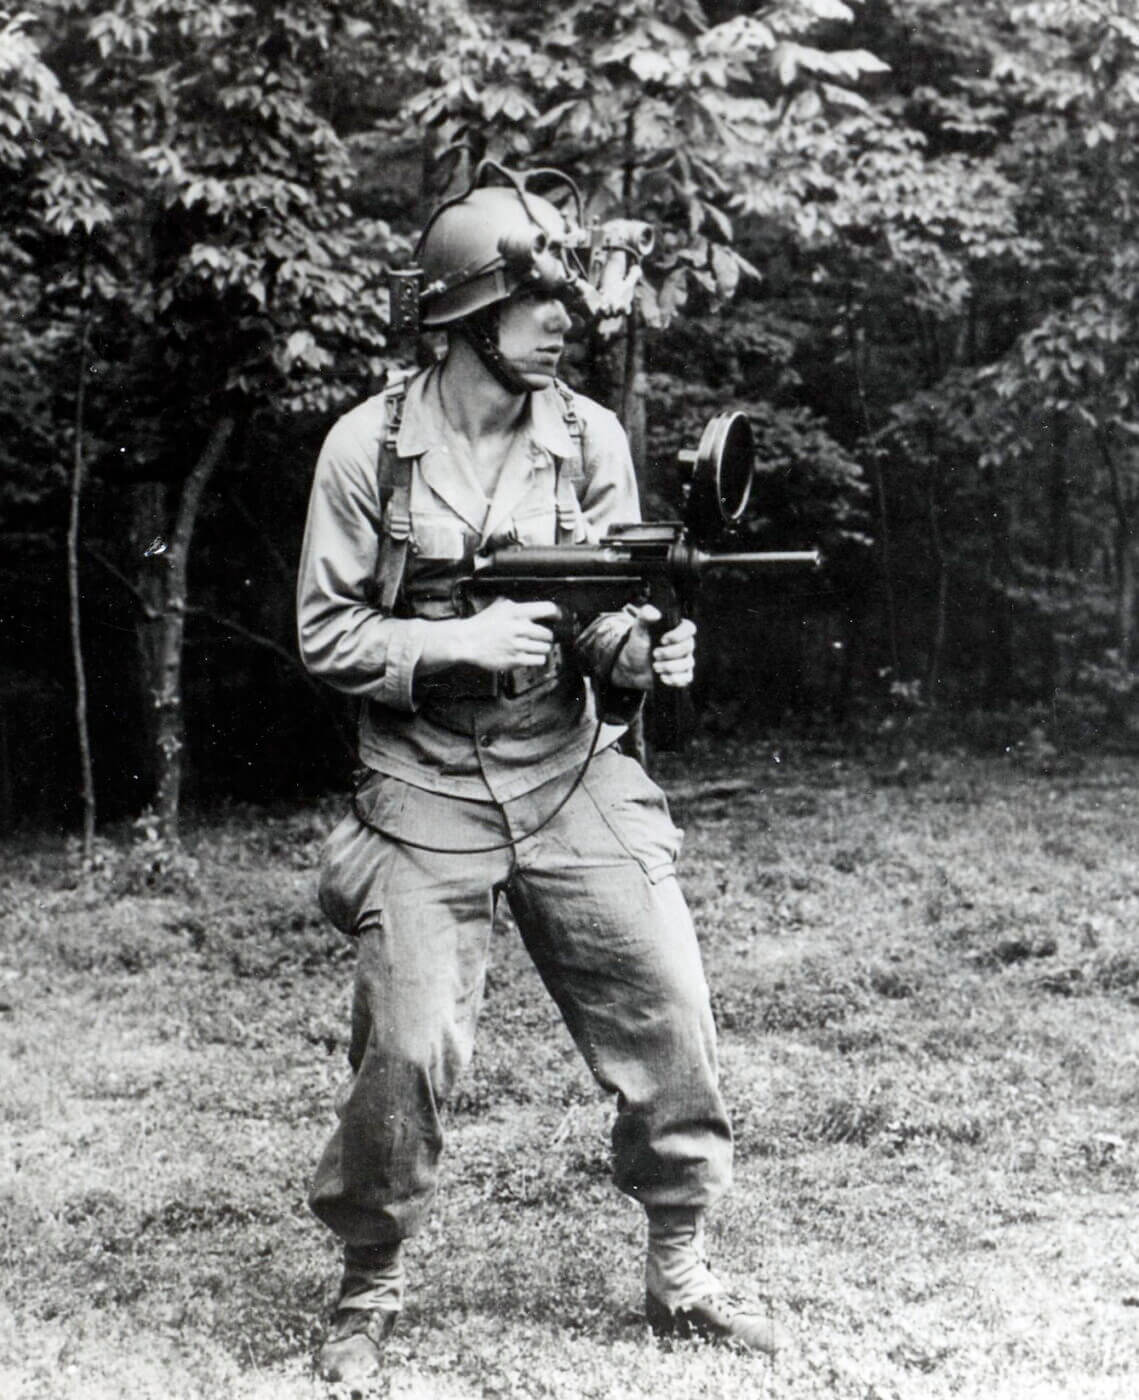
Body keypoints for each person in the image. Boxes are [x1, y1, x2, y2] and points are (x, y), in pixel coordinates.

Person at [296, 166, 784, 1390]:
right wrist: (450, 643)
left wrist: (647, 644)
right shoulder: (368, 449)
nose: (563, 322)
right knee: (405, 1046)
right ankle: (369, 1285)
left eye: (566, 301)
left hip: (569, 769)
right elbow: (324, 634)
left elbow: (608, 620)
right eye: (535, 302)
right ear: (465, 314)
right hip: (421, 788)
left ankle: (679, 1268)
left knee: (670, 1004)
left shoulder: (587, 436)